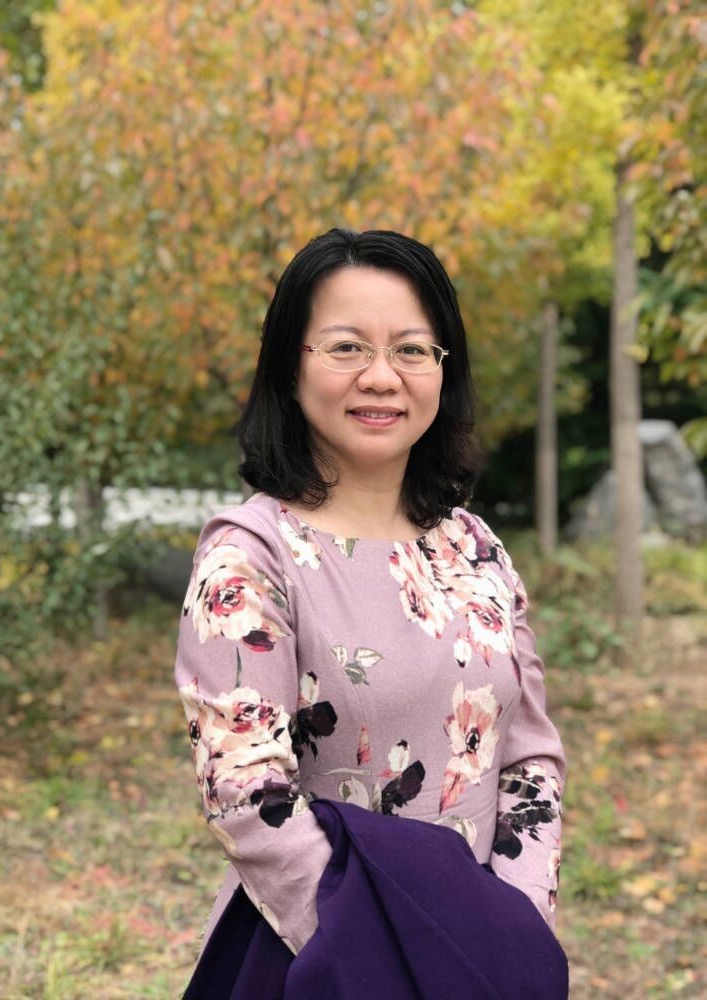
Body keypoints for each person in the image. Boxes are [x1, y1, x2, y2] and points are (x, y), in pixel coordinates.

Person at [173, 229, 567, 998]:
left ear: (444, 370)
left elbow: (529, 758)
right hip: (325, 960)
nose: (382, 377)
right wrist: (387, 962)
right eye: (347, 347)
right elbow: (247, 795)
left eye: (412, 350)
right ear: (290, 366)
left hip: (483, 957)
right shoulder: (251, 556)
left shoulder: (475, 547)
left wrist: (515, 929)